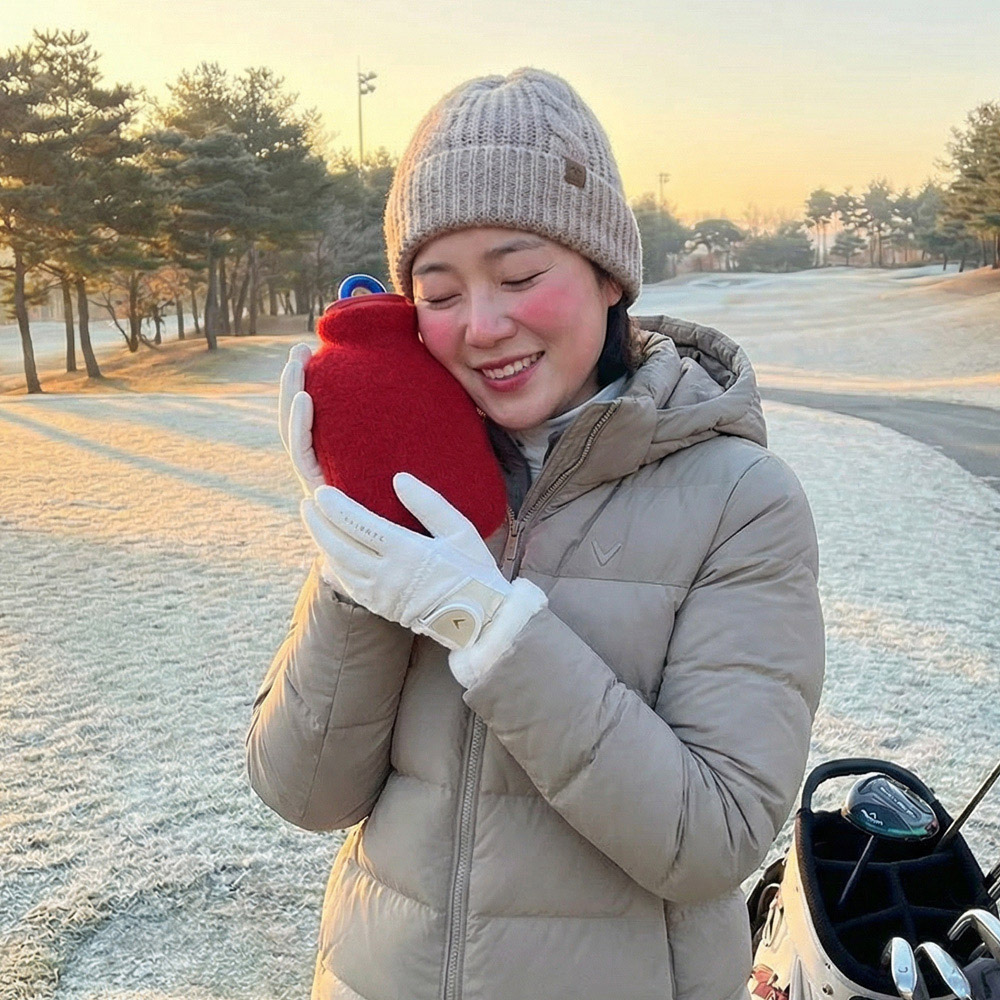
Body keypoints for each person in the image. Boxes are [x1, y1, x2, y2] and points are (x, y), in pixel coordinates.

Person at [246, 67, 825, 1000]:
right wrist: (354, 573)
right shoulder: (417, 478)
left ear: (607, 275)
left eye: (518, 276)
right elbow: (305, 794)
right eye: (439, 294)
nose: (483, 326)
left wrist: (491, 628)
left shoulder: (741, 501)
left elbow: (714, 840)